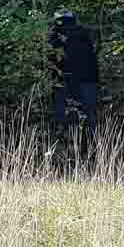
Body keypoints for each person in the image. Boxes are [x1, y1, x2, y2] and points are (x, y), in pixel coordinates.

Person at [50, 10, 99, 153]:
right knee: (89, 117)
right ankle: (93, 151)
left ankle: (66, 151)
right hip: (89, 81)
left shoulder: (56, 36)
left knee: (63, 118)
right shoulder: (84, 35)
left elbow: (52, 60)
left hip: (66, 82)